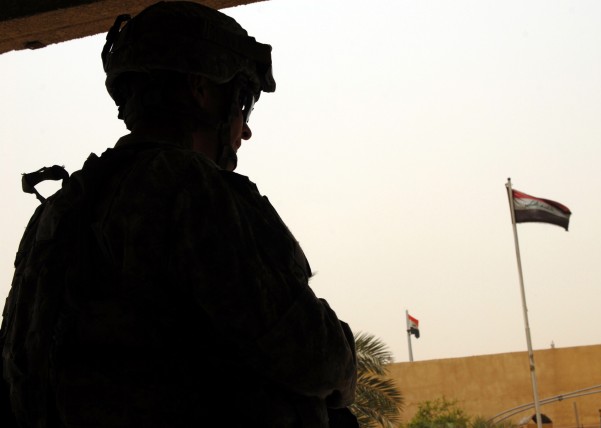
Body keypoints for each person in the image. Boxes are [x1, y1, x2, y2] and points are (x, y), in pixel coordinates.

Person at [1, 1, 358, 427]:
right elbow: (310, 354)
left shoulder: (62, 209)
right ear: (201, 89)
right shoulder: (185, 188)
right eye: (243, 102)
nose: (244, 128)